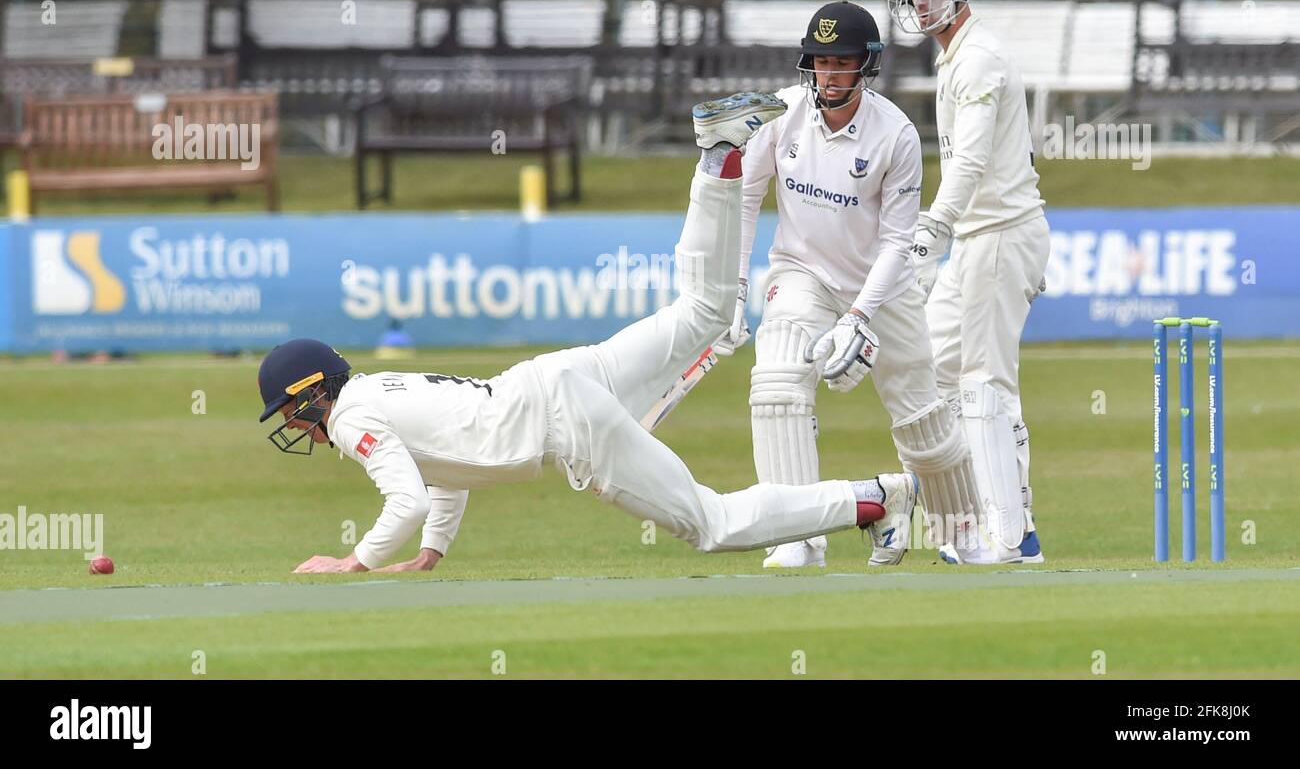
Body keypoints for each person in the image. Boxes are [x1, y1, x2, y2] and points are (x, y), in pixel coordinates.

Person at [256, 93, 918, 574]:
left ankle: (876, 499)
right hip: (562, 375)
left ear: (313, 393)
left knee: (711, 523)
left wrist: (354, 561)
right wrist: (432, 553)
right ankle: (716, 159)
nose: (292, 422)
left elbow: (402, 497)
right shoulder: (379, 391)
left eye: (289, 407)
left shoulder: (351, 418)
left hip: (565, 419)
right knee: (707, 312)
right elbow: (441, 472)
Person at [712, 1, 980, 569]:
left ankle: (964, 534)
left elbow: (895, 243)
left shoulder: (896, 135)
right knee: (778, 384)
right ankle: (798, 538)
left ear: (866, 66)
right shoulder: (779, 116)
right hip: (802, 273)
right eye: (820, 63)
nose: (829, 76)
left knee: (922, 422)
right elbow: (743, 200)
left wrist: (859, 316)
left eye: (842, 63)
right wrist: (733, 290)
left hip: (883, 289)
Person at [887, 0, 1050, 564]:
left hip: (1002, 233)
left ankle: (1014, 535)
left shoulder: (978, 56)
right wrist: (940, 233)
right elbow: (960, 160)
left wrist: (934, 226)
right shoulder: (952, 58)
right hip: (978, 238)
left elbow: (974, 158)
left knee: (986, 386)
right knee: (929, 367)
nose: (920, 2)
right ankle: (968, 515)